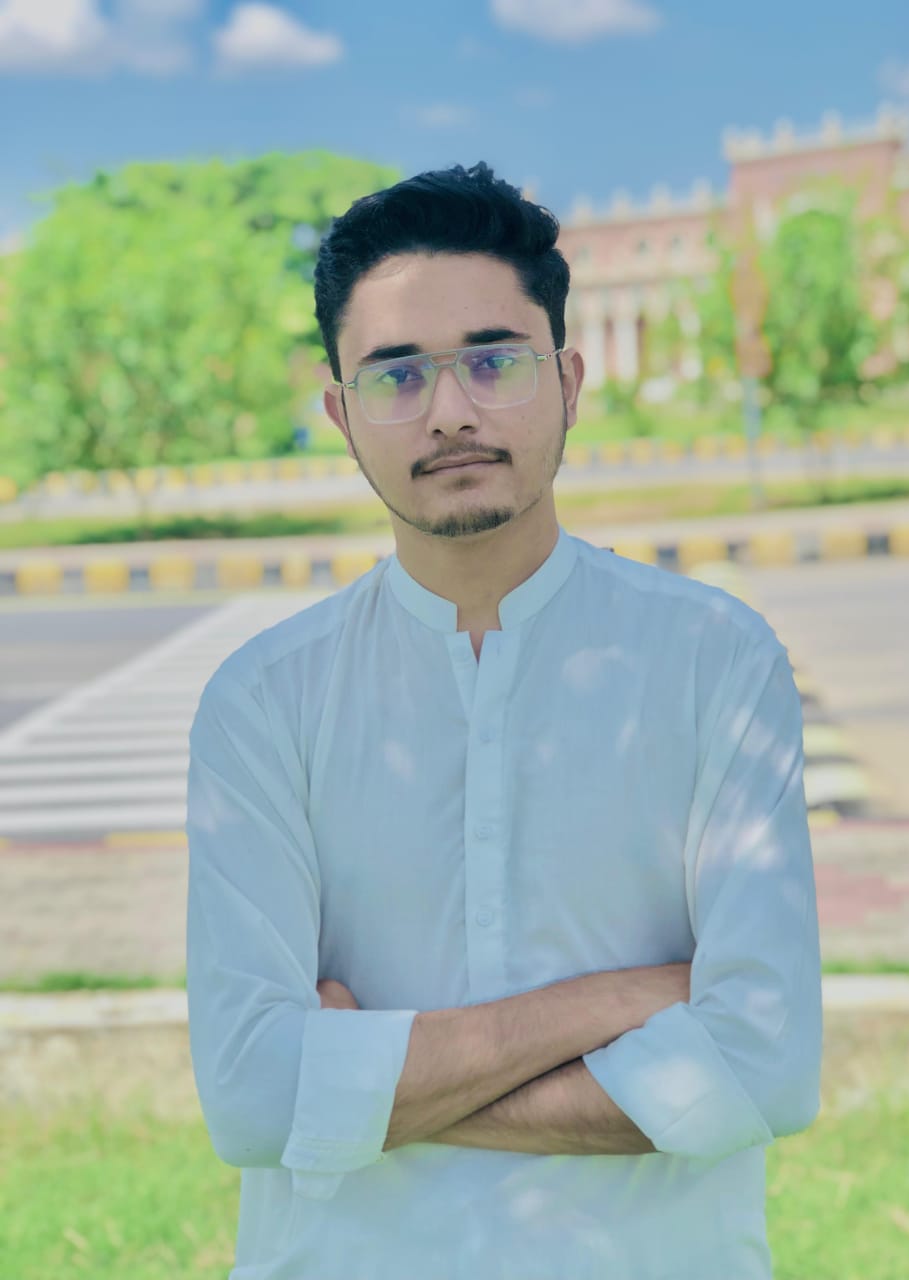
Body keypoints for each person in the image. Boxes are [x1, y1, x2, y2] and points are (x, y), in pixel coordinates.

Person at [185, 161, 822, 1280]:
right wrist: (628, 999)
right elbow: (249, 1097)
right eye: (397, 375)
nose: (452, 411)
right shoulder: (262, 701)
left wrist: (355, 1077)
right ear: (340, 413)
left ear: (570, 379)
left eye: (495, 359)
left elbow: (764, 1064)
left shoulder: (715, 662)